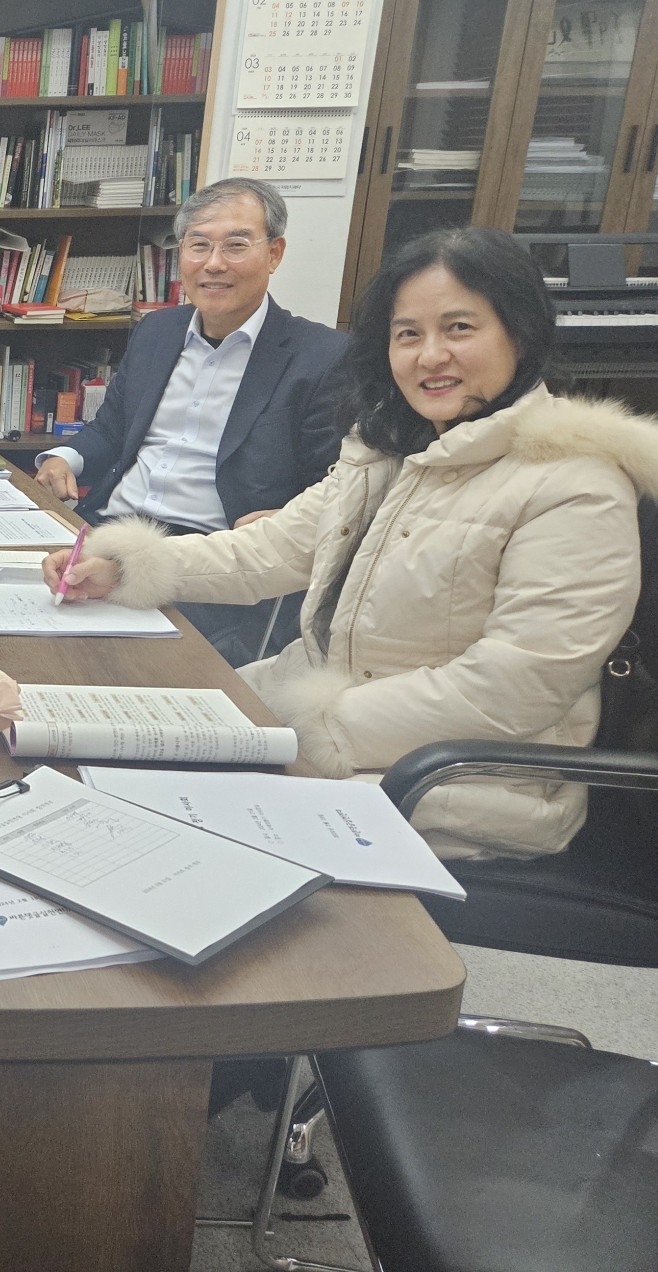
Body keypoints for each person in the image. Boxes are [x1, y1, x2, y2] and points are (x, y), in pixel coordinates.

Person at [46, 225, 658, 862]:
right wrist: (124, 566)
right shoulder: (396, 449)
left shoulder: (574, 485)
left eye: (459, 328)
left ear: (520, 333)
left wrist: (314, 728)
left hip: (452, 783)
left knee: (153, 839)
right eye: (408, 334)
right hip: (324, 730)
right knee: (101, 755)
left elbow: (513, 688)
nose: (430, 356)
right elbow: (271, 549)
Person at [32, 178, 348, 666]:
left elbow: (334, 481)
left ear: (274, 253)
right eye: (199, 245)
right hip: (108, 530)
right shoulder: (159, 330)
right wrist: (63, 457)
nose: (214, 263)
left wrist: (288, 518)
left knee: (120, 670)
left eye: (236, 245)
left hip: (213, 557)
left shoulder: (322, 356)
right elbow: (113, 428)